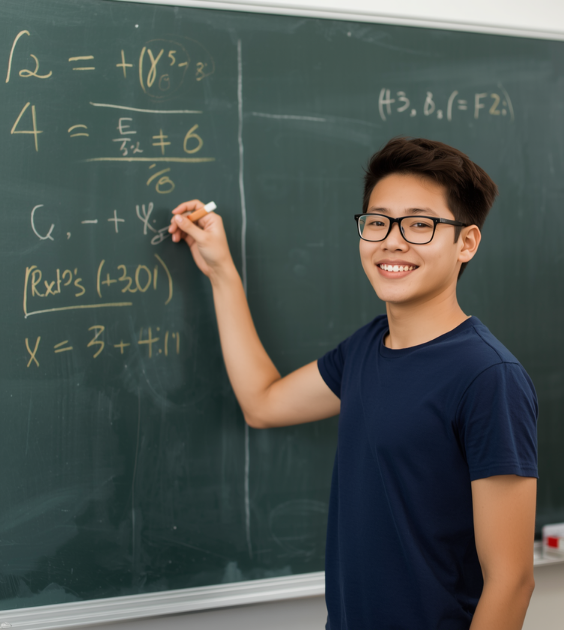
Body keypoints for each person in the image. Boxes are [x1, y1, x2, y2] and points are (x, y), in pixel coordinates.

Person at [168, 137, 538, 630]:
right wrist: (220, 271)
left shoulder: (488, 377)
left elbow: (511, 579)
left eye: (420, 224)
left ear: (465, 243)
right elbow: (264, 403)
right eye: (378, 221)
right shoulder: (367, 348)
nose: (392, 240)